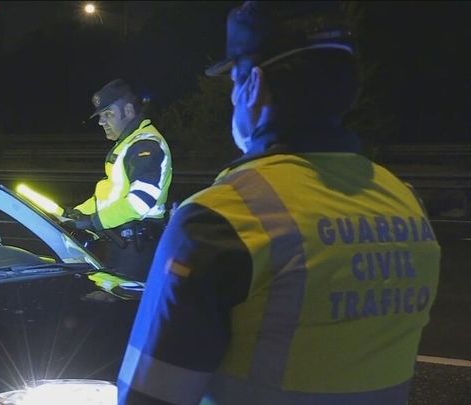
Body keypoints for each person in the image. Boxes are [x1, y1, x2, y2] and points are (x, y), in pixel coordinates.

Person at [117, 2, 441, 404]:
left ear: (253, 85)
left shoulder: (216, 221)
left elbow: (149, 397)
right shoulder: (408, 204)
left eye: (233, 82)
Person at [67, 78, 173, 281]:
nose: (101, 122)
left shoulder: (145, 145)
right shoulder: (127, 143)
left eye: (108, 114)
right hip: (122, 245)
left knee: (119, 299)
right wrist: (79, 212)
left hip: (136, 250)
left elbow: (140, 202)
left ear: (129, 111)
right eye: (100, 116)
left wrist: (93, 221)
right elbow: (112, 192)